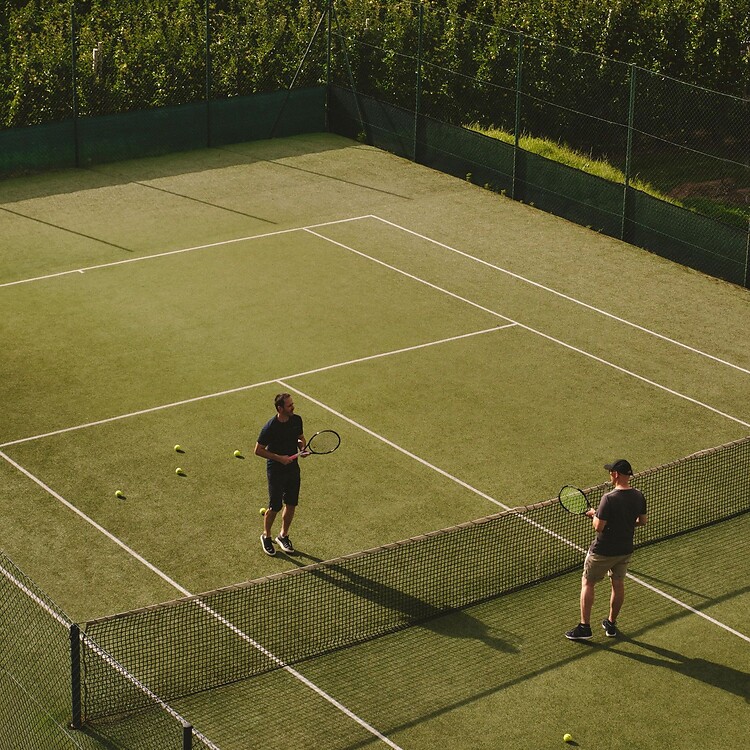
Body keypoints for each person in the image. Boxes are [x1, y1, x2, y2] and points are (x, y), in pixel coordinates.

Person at [565, 459, 648, 640]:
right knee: (617, 584)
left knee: (587, 583)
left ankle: (584, 627)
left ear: (616, 474)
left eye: (611, 472)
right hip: (625, 549)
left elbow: (599, 527)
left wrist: (594, 515)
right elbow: (642, 521)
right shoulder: (639, 496)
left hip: (603, 551)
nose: (610, 474)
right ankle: (611, 624)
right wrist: (622, 522)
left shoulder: (608, 499)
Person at [254, 393, 306, 556]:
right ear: (280, 408)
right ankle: (266, 536)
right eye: (289, 405)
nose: (293, 407)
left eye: (292, 404)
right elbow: (258, 450)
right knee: (275, 506)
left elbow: (300, 438)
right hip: (276, 470)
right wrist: (279, 458)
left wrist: (302, 448)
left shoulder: (297, 420)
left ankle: (283, 535)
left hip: (292, 469)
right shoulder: (270, 427)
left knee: (291, 503)